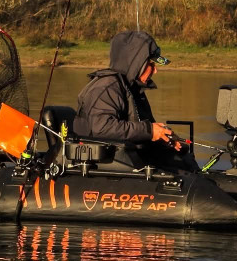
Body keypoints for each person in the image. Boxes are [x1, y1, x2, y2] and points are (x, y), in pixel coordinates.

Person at [72, 30, 188, 165]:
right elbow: (102, 128)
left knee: (182, 159)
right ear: (137, 64)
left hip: (131, 160)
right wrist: (150, 131)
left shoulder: (133, 89)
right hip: (103, 165)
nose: (155, 70)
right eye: (151, 64)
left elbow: (141, 130)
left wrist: (163, 139)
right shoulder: (106, 87)